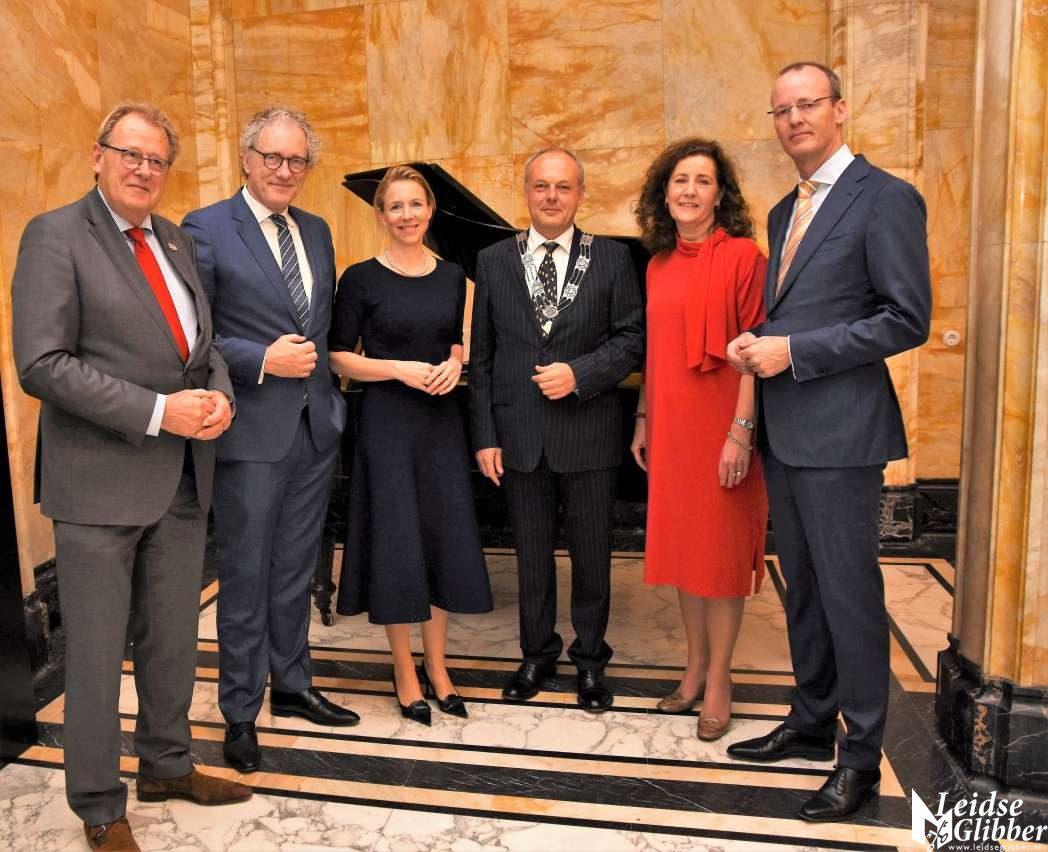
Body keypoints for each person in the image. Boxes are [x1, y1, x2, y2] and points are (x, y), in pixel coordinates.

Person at [12, 103, 251, 851]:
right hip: (98, 485)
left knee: (171, 640)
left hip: (180, 481)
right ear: (98, 155)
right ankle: (98, 805)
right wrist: (158, 412)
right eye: (131, 154)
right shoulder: (55, 235)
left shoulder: (173, 238)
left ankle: (167, 766)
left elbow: (203, 345)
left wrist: (219, 396)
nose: (144, 170)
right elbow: (42, 363)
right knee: (93, 653)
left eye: (156, 160)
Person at [725, 62, 931, 821]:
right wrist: (761, 340)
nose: (793, 120)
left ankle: (861, 758)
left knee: (849, 596)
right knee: (805, 590)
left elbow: (905, 318)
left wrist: (795, 352)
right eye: (780, 110)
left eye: (807, 104)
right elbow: (804, 308)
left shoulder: (886, 197)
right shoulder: (786, 210)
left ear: (840, 109)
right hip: (788, 430)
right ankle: (812, 721)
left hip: (843, 434)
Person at [182, 106, 357, 776]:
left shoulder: (315, 230)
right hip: (250, 433)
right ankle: (239, 710)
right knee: (247, 575)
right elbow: (194, 334)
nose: (285, 171)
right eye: (273, 157)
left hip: (314, 429)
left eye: (297, 160)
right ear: (246, 158)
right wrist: (260, 359)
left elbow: (321, 326)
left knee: (294, 570)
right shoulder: (205, 228)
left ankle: (292, 683)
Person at [469, 147, 644, 713]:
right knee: (530, 556)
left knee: (592, 557)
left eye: (563, 187)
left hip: (589, 432)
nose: (551, 196)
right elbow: (484, 356)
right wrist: (485, 435)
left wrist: (580, 374)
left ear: (580, 195)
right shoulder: (493, 259)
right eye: (541, 186)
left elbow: (632, 340)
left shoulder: (612, 258)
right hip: (519, 435)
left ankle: (590, 659)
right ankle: (536, 654)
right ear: (526, 192)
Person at [329, 165, 493, 725]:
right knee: (397, 543)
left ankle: (438, 667)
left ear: (430, 211)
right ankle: (404, 669)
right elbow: (336, 356)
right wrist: (396, 368)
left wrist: (455, 362)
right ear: (380, 215)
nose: (407, 215)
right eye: (395, 206)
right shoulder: (360, 279)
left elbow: (452, 342)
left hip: (441, 422)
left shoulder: (452, 276)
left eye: (415, 204)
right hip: (387, 424)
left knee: (441, 540)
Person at [631, 138, 768, 741]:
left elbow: (756, 350)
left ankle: (718, 680)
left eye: (702, 181)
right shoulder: (657, 263)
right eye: (680, 180)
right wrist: (642, 418)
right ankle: (691, 671)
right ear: (665, 193)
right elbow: (653, 352)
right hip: (671, 424)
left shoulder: (744, 257)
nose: (689, 190)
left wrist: (741, 432)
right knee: (686, 555)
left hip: (724, 424)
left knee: (721, 556)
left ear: (720, 195)